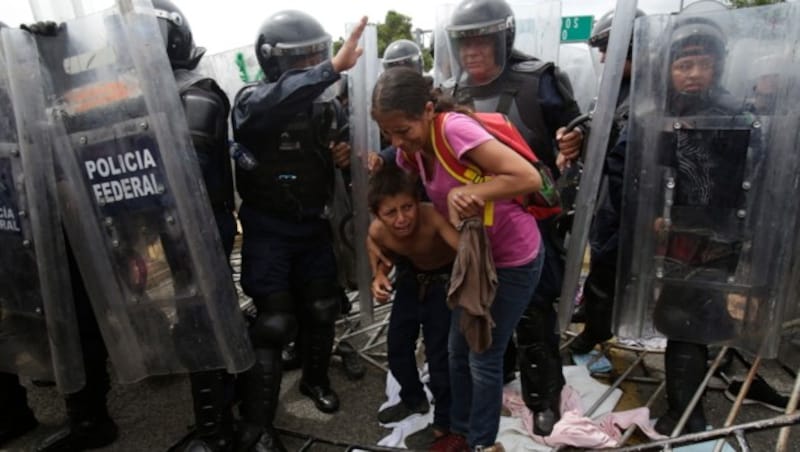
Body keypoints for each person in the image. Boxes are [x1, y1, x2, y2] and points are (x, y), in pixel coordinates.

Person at [371, 66, 545, 451]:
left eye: (403, 130)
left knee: (483, 355)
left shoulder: (453, 130)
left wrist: (469, 194)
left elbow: (528, 178)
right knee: (455, 350)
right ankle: (459, 429)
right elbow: (397, 207)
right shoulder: (410, 156)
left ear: (428, 111)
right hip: (473, 262)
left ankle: (482, 443)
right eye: (388, 133)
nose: (396, 141)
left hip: (513, 258)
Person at [443, 0, 583, 436]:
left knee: (534, 311)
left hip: (530, 218)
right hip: (473, 224)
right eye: (465, 43)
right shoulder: (449, 91)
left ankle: (543, 395)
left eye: (482, 41)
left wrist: (574, 140)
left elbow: (580, 127)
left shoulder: (538, 80)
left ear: (503, 38)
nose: (473, 53)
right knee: (480, 303)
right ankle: (496, 378)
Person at [230, 10, 366, 451]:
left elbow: (342, 149)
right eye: (300, 60)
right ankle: (259, 424)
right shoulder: (252, 101)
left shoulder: (325, 106)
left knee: (322, 308)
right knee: (274, 321)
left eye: (316, 57)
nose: (312, 67)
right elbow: (276, 101)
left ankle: (315, 380)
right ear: (272, 61)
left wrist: (345, 156)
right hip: (269, 229)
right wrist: (328, 70)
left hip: (313, 225)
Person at [565, 8, 645, 356]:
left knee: (613, 264)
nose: (601, 57)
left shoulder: (652, 88)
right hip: (607, 191)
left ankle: (597, 329)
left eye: (607, 48)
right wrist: (574, 138)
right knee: (601, 259)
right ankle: (595, 315)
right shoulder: (616, 88)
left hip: (634, 195)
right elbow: (595, 128)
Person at [368, 165, 457, 449]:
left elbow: (466, 249)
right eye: (390, 212)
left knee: (440, 357)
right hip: (410, 280)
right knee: (396, 346)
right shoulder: (378, 230)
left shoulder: (432, 218)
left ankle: (445, 421)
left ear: (417, 201)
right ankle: (413, 398)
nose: (402, 218)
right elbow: (376, 246)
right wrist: (379, 275)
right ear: (378, 215)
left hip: (445, 283)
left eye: (407, 207)